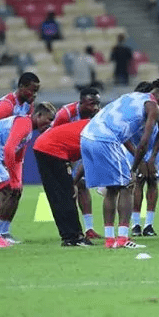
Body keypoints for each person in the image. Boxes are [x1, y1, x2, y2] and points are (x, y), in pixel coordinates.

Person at [80, 76, 159, 249]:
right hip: (106, 139)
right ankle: (123, 239)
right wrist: (134, 168)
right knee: (127, 185)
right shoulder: (154, 107)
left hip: (87, 135)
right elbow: (144, 143)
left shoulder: (132, 96)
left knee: (112, 188)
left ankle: (110, 240)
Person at [0, 102, 57, 248]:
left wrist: (17, 181)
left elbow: (18, 158)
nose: (50, 124)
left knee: (14, 191)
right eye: (49, 119)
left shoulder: (28, 130)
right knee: (8, 189)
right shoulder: (24, 123)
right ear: (38, 115)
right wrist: (13, 180)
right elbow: (9, 150)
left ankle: (1, 233)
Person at [32, 117, 95, 246]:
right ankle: (73, 237)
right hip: (51, 149)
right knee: (64, 195)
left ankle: (70, 236)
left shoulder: (93, 125)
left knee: (60, 195)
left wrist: (73, 182)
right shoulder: (98, 131)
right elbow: (87, 161)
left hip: (46, 147)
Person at [52, 87, 103, 240]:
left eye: (97, 104)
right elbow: (52, 135)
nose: (94, 107)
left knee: (81, 185)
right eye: (91, 104)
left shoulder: (98, 115)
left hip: (81, 150)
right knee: (67, 189)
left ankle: (89, 229)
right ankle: (71, 228)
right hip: (62, 150)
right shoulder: (66, 113)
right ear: (81, 102)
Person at [129, 81, 159, 237]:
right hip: (134, 148)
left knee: (152, 180)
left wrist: (152, 157)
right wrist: (139, 160)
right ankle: (136, 225)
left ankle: (149, 225)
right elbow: (128, 136)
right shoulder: (134, 110)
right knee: (138, 181)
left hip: (151, 148)